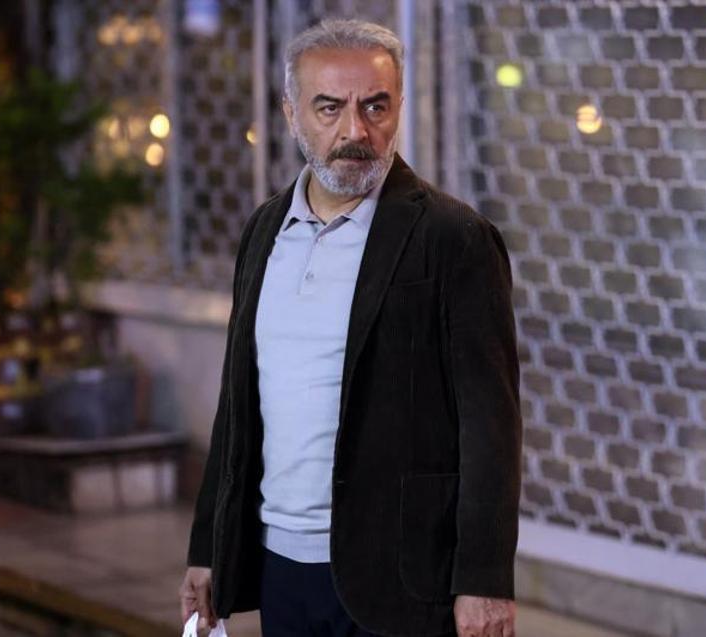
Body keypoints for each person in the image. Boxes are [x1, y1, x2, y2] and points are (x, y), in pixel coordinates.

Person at [179, 18, 521, 637]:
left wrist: (485, 579)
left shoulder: (455, 239)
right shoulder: (264, 231)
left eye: (375, 107)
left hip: (402, 577)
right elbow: (237, 404)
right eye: (330, 107)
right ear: (292, 115)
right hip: (280, 569)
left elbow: (491, 428)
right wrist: (208, 548)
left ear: (398, 109)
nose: (355, 131)